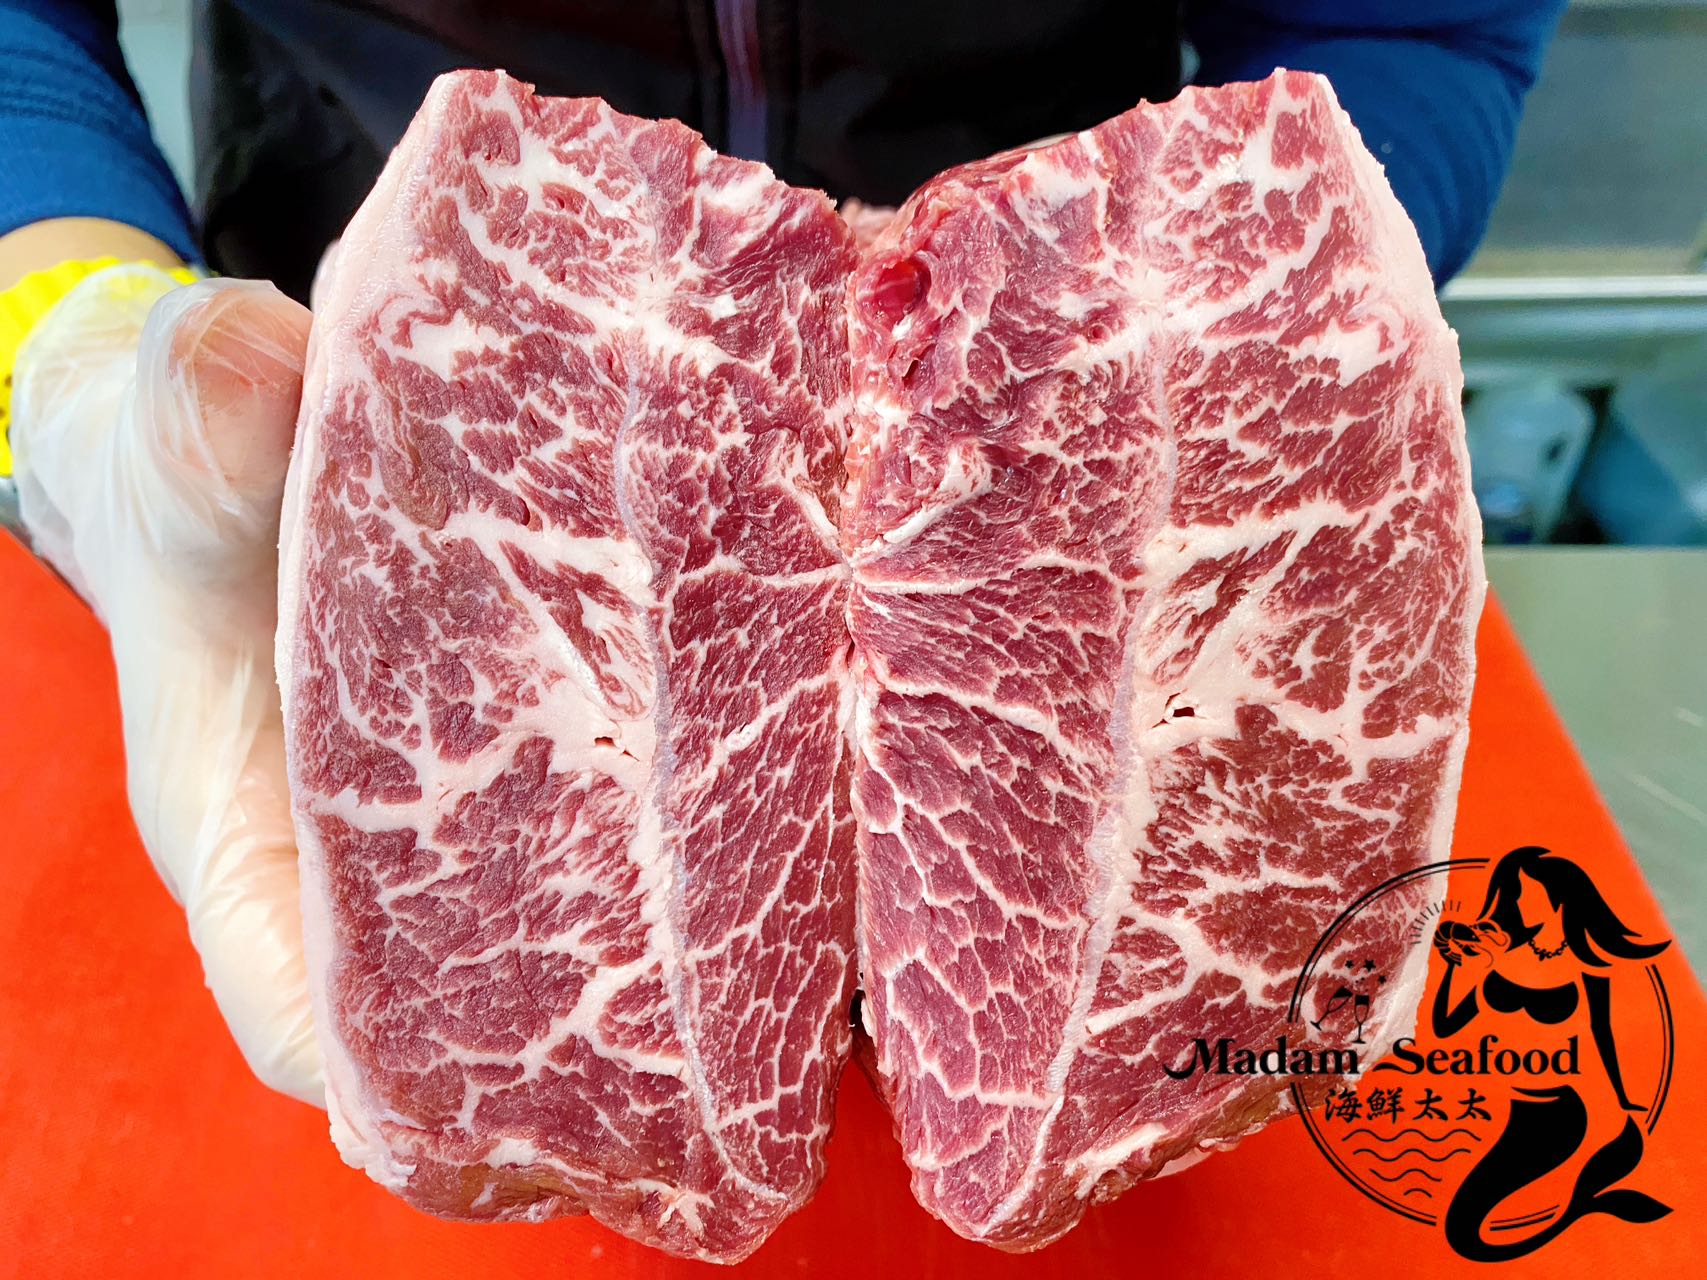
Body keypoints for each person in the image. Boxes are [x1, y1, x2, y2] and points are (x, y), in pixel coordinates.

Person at [0, 0, 1566, 1104]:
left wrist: (1249, 309)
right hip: (440, 407)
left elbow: (1409, 20)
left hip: (1068, 389)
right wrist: (70, 332)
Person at [1432, 846, 1671, 1260]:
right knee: (1463, 1229)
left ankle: (1583, 1211)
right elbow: (1446, 1026)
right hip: (1514, 1107)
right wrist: (1454, 965)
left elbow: (1601, 1032)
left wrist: (1620, 1096)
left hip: (1560, 1115)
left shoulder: (1587, 964)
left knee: (1466, 1230)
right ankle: (1578, 1212)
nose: (1520, 902)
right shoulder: (1501, 959)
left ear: (1557, 898)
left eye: (1528, 894)